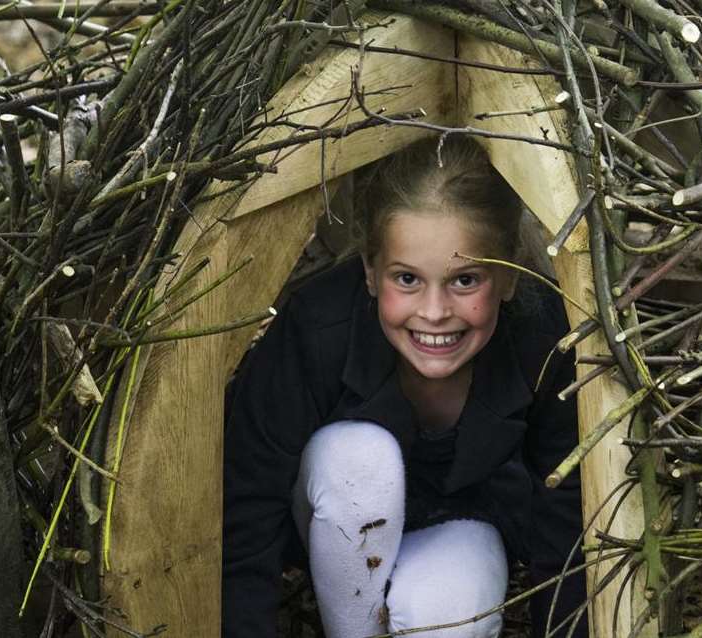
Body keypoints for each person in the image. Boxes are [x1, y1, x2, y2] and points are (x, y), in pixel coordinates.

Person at [222, 136, 588, 638]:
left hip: (462, 521)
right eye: (407, 279)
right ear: (370, 273)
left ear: (508, 277)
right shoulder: (318, 326)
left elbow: (569, 513)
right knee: (359, 458)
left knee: (452, 616)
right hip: (334, 525)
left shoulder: (545, 338)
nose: (434, 312)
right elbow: (248, 503)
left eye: (465, 281)